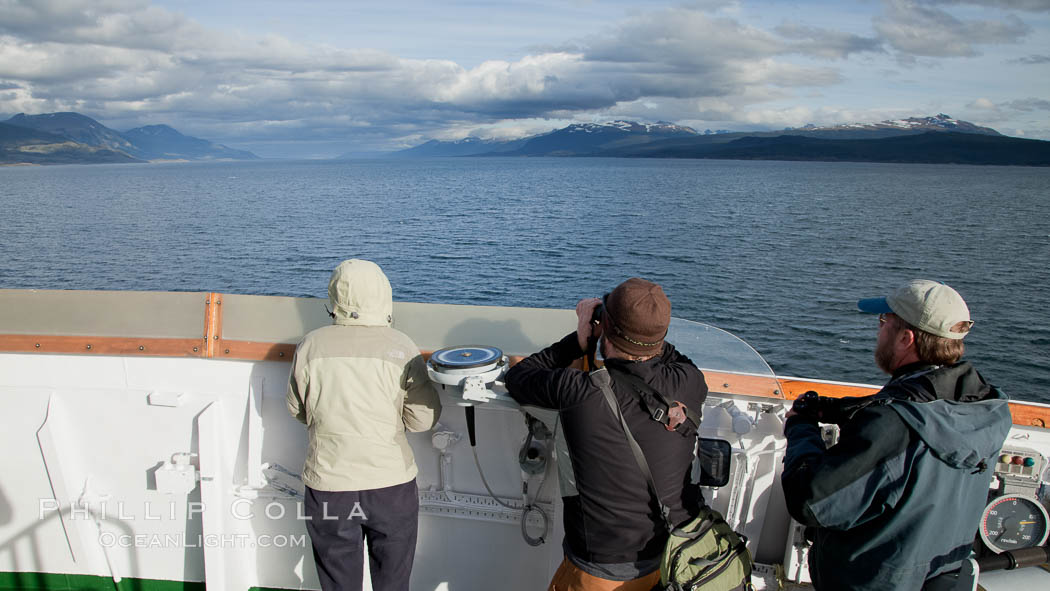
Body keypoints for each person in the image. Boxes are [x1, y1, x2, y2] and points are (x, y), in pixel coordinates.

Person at [781, 279, 1012, 591]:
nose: (878, 331)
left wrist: (800, 429)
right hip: (932, 577)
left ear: (906, 338)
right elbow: (918, 402)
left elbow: (810, 500)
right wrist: (832, 409)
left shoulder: (892, 425)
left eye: (883, 322)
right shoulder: (985, 404)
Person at [504, 277, 708, 591]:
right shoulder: (691, 382)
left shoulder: (579, 392)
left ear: (607, 327)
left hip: (599, 571)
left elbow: (519, 377)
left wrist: (581, 338)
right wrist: (633, 332)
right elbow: (666, 354)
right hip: (670, 555)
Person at [286, 259, 441, 591]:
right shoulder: (401, 346)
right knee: (393, 582)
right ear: (384, 296)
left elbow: (297, 410)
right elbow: (423, 419)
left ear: (335, 298)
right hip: (390, 486)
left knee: (337, 582)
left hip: (329, 485)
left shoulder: (311, 345)